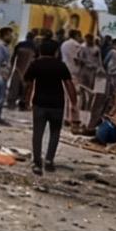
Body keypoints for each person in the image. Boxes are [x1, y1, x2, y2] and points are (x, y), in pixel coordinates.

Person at [24, 37, 77, 174]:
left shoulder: (35, 64)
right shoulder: (60, 65)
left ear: (40, 50)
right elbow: (69, 85)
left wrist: (27, 100)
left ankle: (37, 162)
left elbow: (29, 84)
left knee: (38, 133)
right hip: (57, 104)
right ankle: (49, 160)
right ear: (56, 52)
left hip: (39, 103)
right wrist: (74, 103)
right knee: (55, 133)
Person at [7, 31, 36, 110]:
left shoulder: (20, 44)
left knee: (14, 86)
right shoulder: (35, 47)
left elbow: (13, 57)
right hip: (28, 70)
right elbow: (35, 60)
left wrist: (12, 66)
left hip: (18, 68)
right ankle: (22, 104)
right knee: (25, 88)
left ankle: (11, 104)